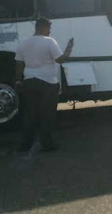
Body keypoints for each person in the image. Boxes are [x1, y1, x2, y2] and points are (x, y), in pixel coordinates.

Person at [15, 17, 73, 152]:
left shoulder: (23, 43)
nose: (50, 31)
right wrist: (69, 49)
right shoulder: (49, 42)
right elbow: (60, 60)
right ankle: (47, 144)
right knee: (47, 114)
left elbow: (18, 64)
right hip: (48, 82)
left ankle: (25, 144)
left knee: (30, 114)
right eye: (49, 29)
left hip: (29, 81)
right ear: (44, 27)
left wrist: (18, 80)